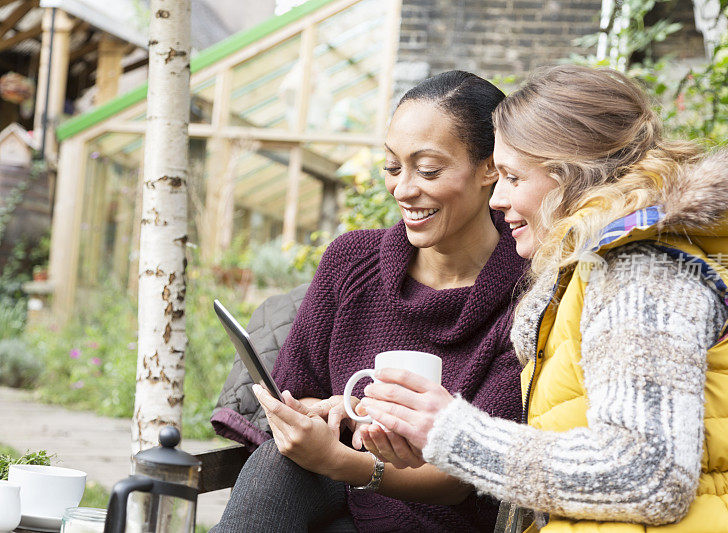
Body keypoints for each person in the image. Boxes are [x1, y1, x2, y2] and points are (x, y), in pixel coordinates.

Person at [358, 64, 728, 532]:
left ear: (569, 175)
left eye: (511, 176)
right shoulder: (601, 270)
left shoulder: (640, 275)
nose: (496, 199)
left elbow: (646, 475)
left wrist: (451, 432)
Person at [211, 70, 529, 532]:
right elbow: (293, 394)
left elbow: (466, 476)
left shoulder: (525, 297)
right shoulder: (352, 262)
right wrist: (329, 409)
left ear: (490, 169)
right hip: (332, 500)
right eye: (393, 167)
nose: (403, 189)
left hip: (444, 519)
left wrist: (343, 462)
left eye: (429, 170)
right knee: (276, 463)